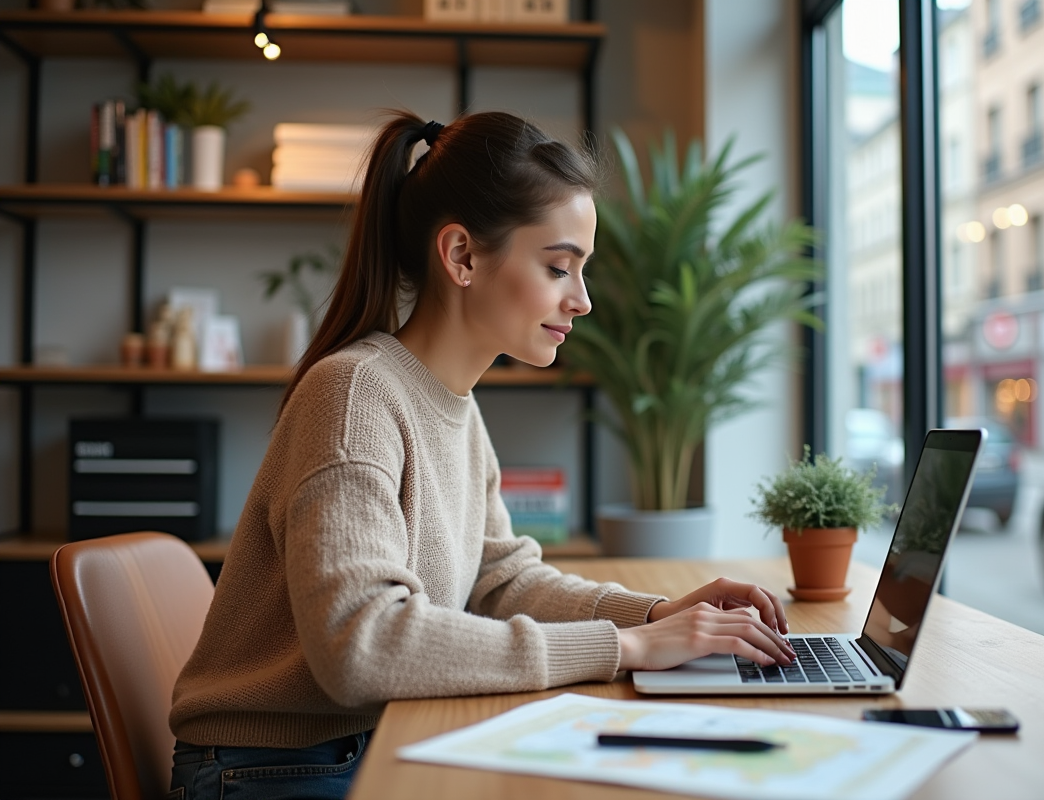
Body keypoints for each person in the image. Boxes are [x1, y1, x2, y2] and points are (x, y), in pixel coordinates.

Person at [168, 111, 797, 800]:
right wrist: (628, 650)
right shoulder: (353, 396)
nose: (581, 300)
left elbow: (500, 583)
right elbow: (362, 645)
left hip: (356, 744)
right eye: (559, 266)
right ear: (462, 256)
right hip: (278, 771)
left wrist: (658, 616)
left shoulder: (455, 406)